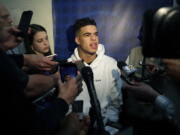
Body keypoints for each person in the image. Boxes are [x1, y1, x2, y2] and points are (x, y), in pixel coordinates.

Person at [0, 3, 84, 135]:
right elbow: (26, 88)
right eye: (4, 17)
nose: (10, 21)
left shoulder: (56, 62)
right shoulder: (23, 74)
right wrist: (62, 91)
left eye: (46, 39)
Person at [67, 17, 123, 135]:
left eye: (95, 34)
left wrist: (105, 124)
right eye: (87, 35)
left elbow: (116, 102)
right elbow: (66, 104)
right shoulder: (68, 67)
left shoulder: (111, 64)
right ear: (77, 40)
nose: (94, 38)